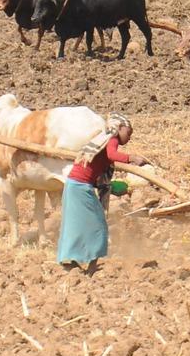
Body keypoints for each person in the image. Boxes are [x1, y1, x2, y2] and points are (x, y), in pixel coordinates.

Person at [57, 116, 147, 273]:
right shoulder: (112, 139)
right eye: (128, 132)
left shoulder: (102, 141)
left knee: (75, 223)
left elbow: (99, 169)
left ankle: (71, 260)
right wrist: (131, 158)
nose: (129, 137)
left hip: (74, 185)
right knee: (98, 224)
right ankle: (90, 266)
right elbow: (112, 155)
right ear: (119, 128)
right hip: (80, 187)